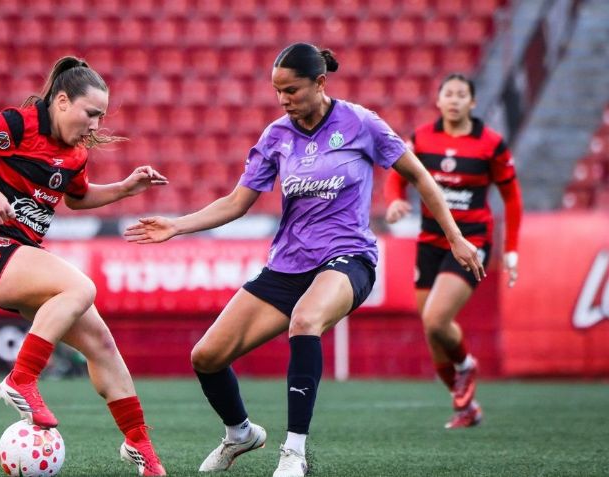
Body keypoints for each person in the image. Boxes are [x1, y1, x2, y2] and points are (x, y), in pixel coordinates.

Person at [124, 43, 485, 477]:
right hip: (288, 265)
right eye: (277, 91)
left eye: (291, 90)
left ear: (320, 83)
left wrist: (455, 237)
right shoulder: (276, 135)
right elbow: (238, 202)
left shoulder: (361, 123)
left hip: (348, 258)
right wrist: (178, 225)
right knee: (206, 356)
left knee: (305, 321)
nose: (283, 100)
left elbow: (420, 177)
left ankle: (294, 453)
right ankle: (240, 433)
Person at [0, 56, 167, 476]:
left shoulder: (76, 154)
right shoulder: (20, 124)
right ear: (62, 101)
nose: (96, 124)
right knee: (80, 288)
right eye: (91, 113)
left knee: (102, 344)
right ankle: (21, 379)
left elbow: (77, 198)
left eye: (101, 115)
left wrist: (124, 188)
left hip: (22, 257)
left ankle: (141, 448)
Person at [384, 73, 522, 429]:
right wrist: (396, 200)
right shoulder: (423, 138)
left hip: (472, 240)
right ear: (439, 100)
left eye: (463, 94)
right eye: (449, 93)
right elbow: (397, 174)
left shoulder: (490, 144)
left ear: (473, 103)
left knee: (435, 318)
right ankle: (467, 408)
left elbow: (512, 197)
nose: (456, 100)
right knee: (433, 332)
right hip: (430, 240)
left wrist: (511, 249)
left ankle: (465, 366)